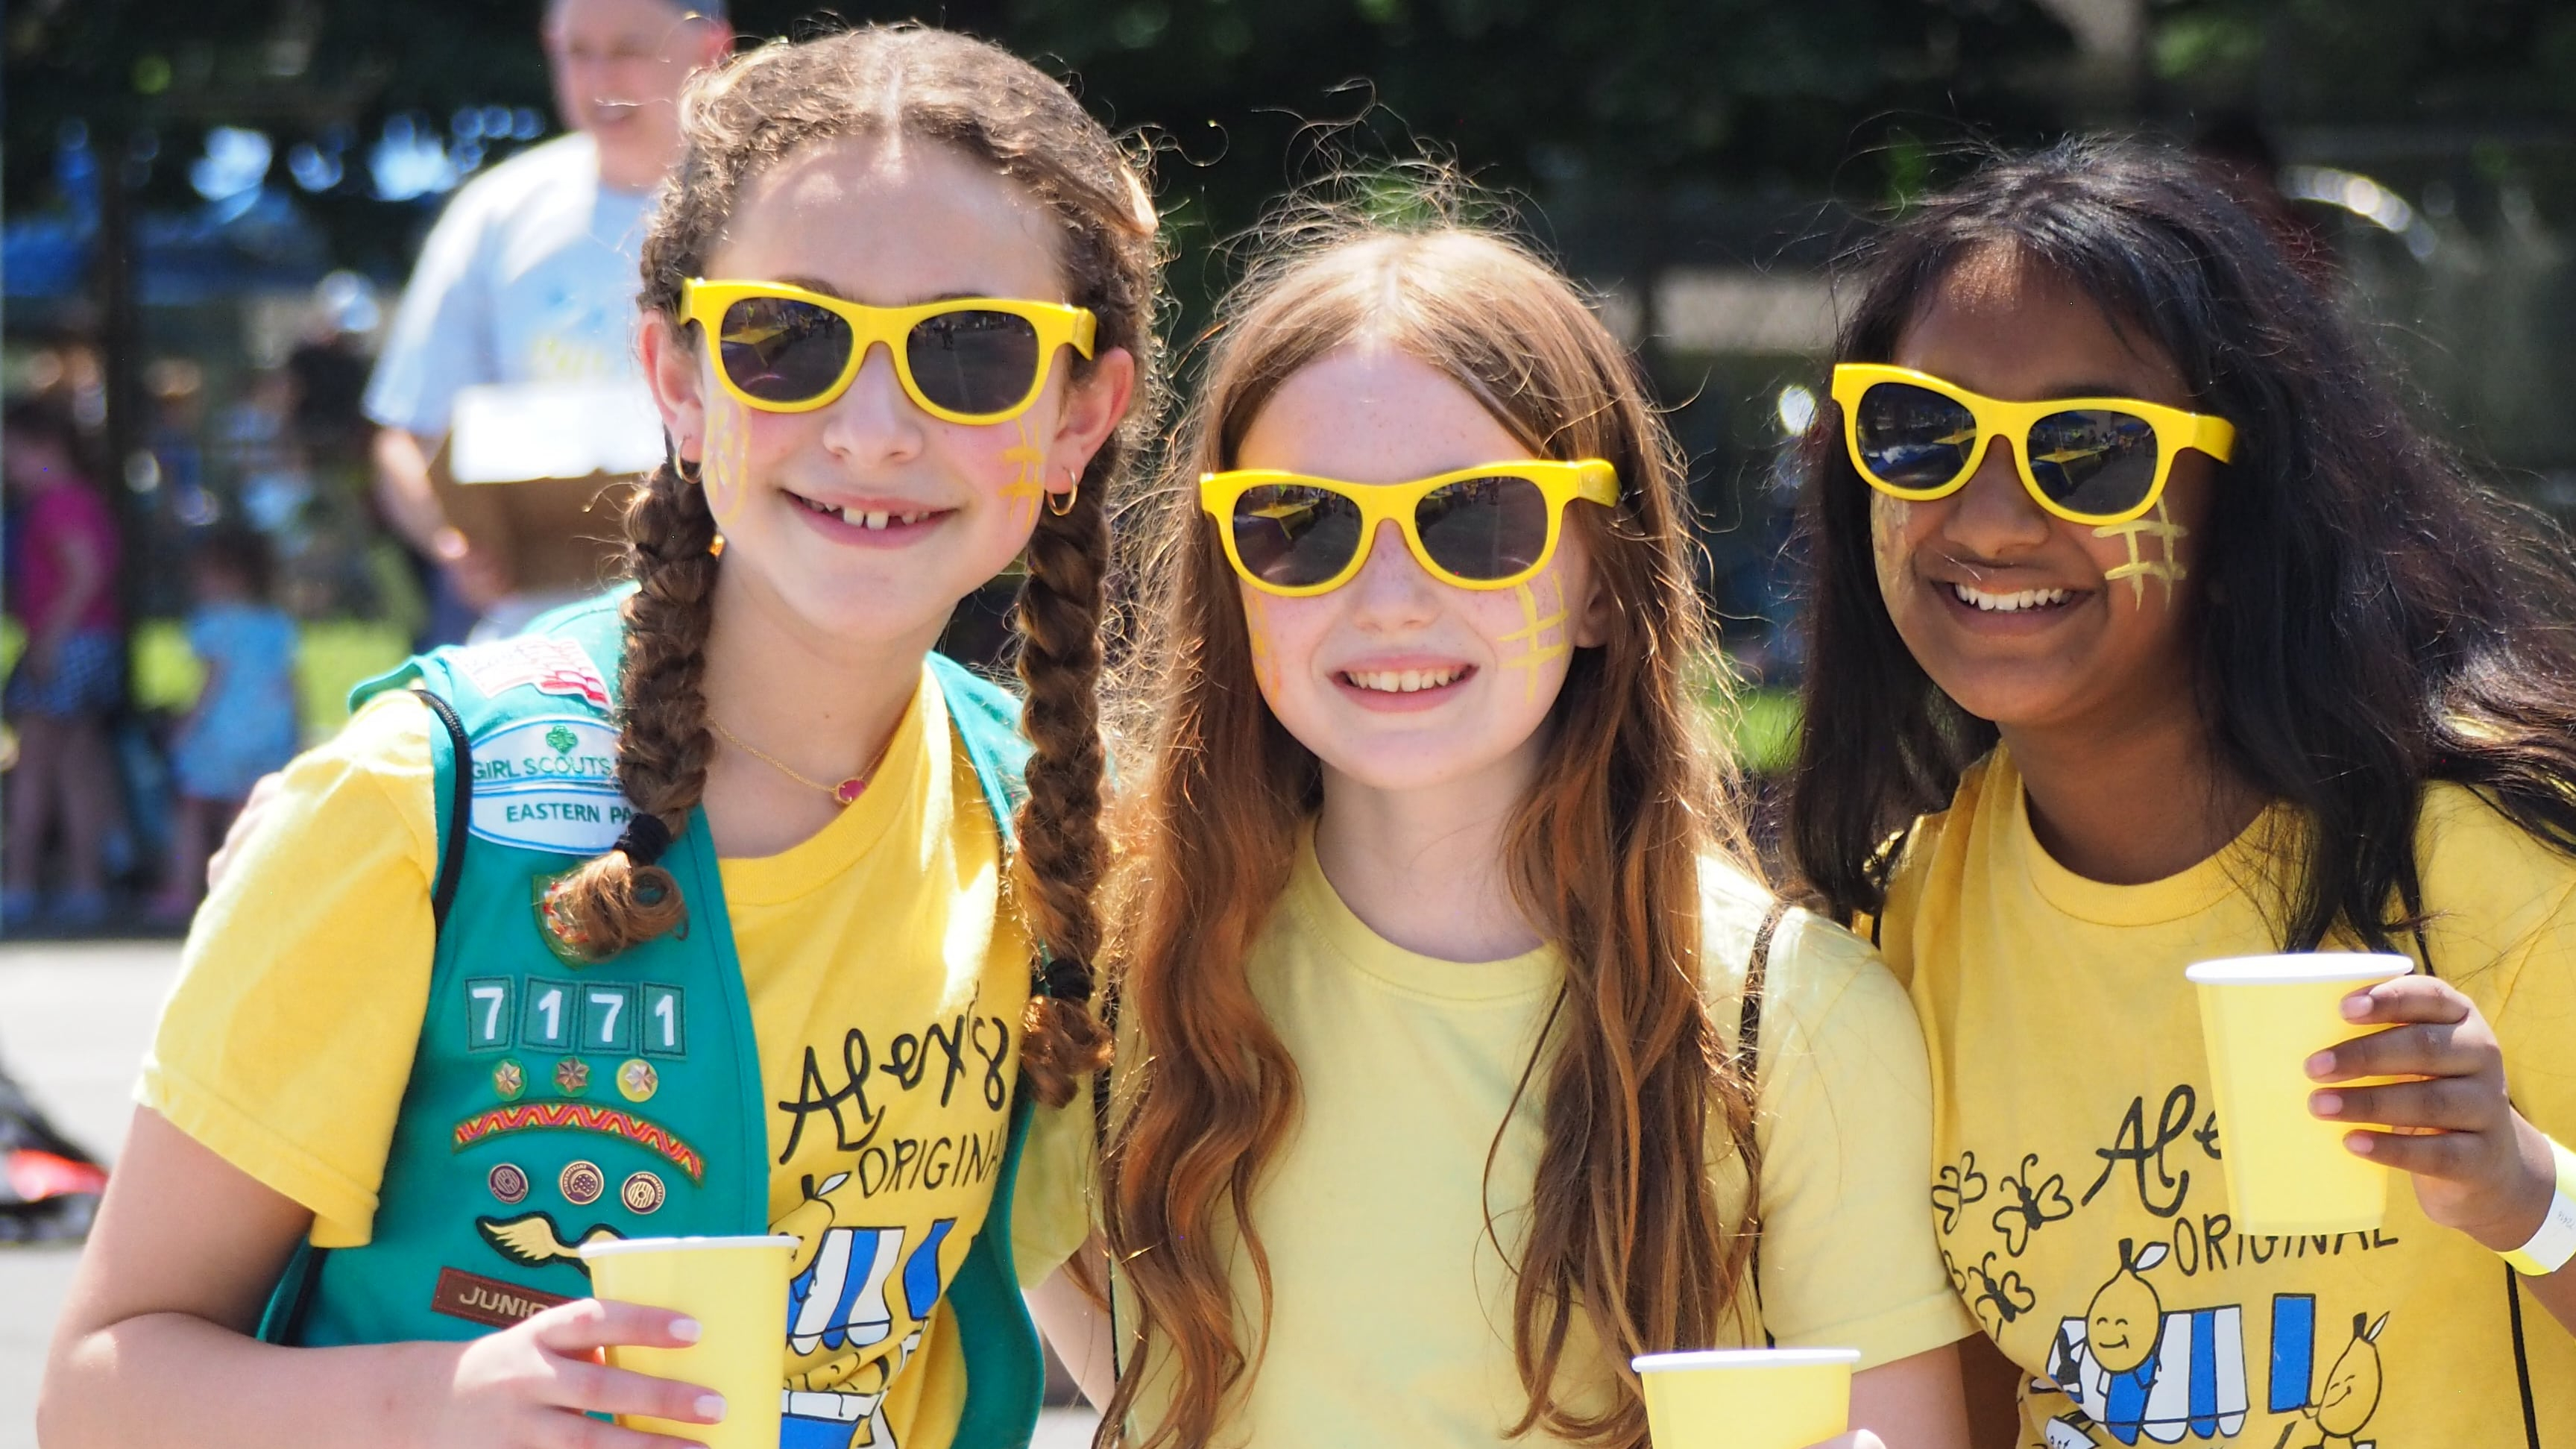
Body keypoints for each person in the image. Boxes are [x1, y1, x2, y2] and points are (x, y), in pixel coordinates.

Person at [41, 25, 1151, 1448]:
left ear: (1081, 418)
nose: (875, 425)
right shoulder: (410, 804)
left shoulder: (1053, 834)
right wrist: (441, 1404)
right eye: (790, 338)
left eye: (975, 350)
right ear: (679, 380)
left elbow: (1137, 1340)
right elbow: (95, 1389)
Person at [1022, 206, 1975, 1449]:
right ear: (1232, 574)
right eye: (1298, 523)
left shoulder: (1792, 1018)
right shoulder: (1108, 976)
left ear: (1599, 574)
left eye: (1477, 520)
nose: (1392, 596)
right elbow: (1131, 1353)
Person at [1786, 139, 2576, 1448]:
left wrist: (2524, 1190)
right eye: (1920, 435)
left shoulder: (2502, 875)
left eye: (2087, 452)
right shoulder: (1905, 923)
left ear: (2242, 488)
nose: (1986, 519)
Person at [365, 0, 732, 642]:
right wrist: (455, 547)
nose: (600, 79)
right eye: (577, 52)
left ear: (713, 49)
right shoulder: (497, 214)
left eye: (629, 49)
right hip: (541, 646)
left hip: (736, 628)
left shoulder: (772, 212)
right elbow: (405, 434)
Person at [3, 400, 125, 931]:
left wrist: (48, 639)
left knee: (36, 766)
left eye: (13, 456)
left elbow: (84, 571)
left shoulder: (58, 503)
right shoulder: (81, 500)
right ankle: (86, 883)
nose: (9, 470)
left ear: (48, 450)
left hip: (67, 644)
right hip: (88, 643)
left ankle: (22, 882)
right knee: (77, 768)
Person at [149, 528, 300, 927]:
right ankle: (244, 893)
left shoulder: (211, 623)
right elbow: (290, 683)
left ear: (232, 576)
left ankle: (183, 891)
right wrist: (297, 731)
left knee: (192, 809)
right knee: (247, 813)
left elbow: (210, 683)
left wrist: (184, 726)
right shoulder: (277, 624)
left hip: (219, 735)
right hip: (268, 733)